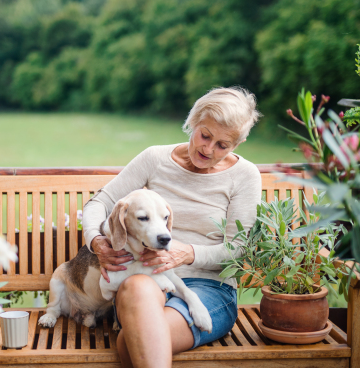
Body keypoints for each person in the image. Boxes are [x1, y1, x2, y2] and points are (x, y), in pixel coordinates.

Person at [82, 86, 262, 368]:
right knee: (137, 297)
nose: (208, 148)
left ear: (235, 145)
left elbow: (239, 249)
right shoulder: (155, 159)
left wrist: (188, 253)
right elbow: (99, 203)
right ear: (192, 123)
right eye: (205, 135)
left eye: (222, 145)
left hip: (208, 289)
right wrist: (97, 241)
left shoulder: (244, 176)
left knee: (132, 345)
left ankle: (137, 335)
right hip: (144, 279)